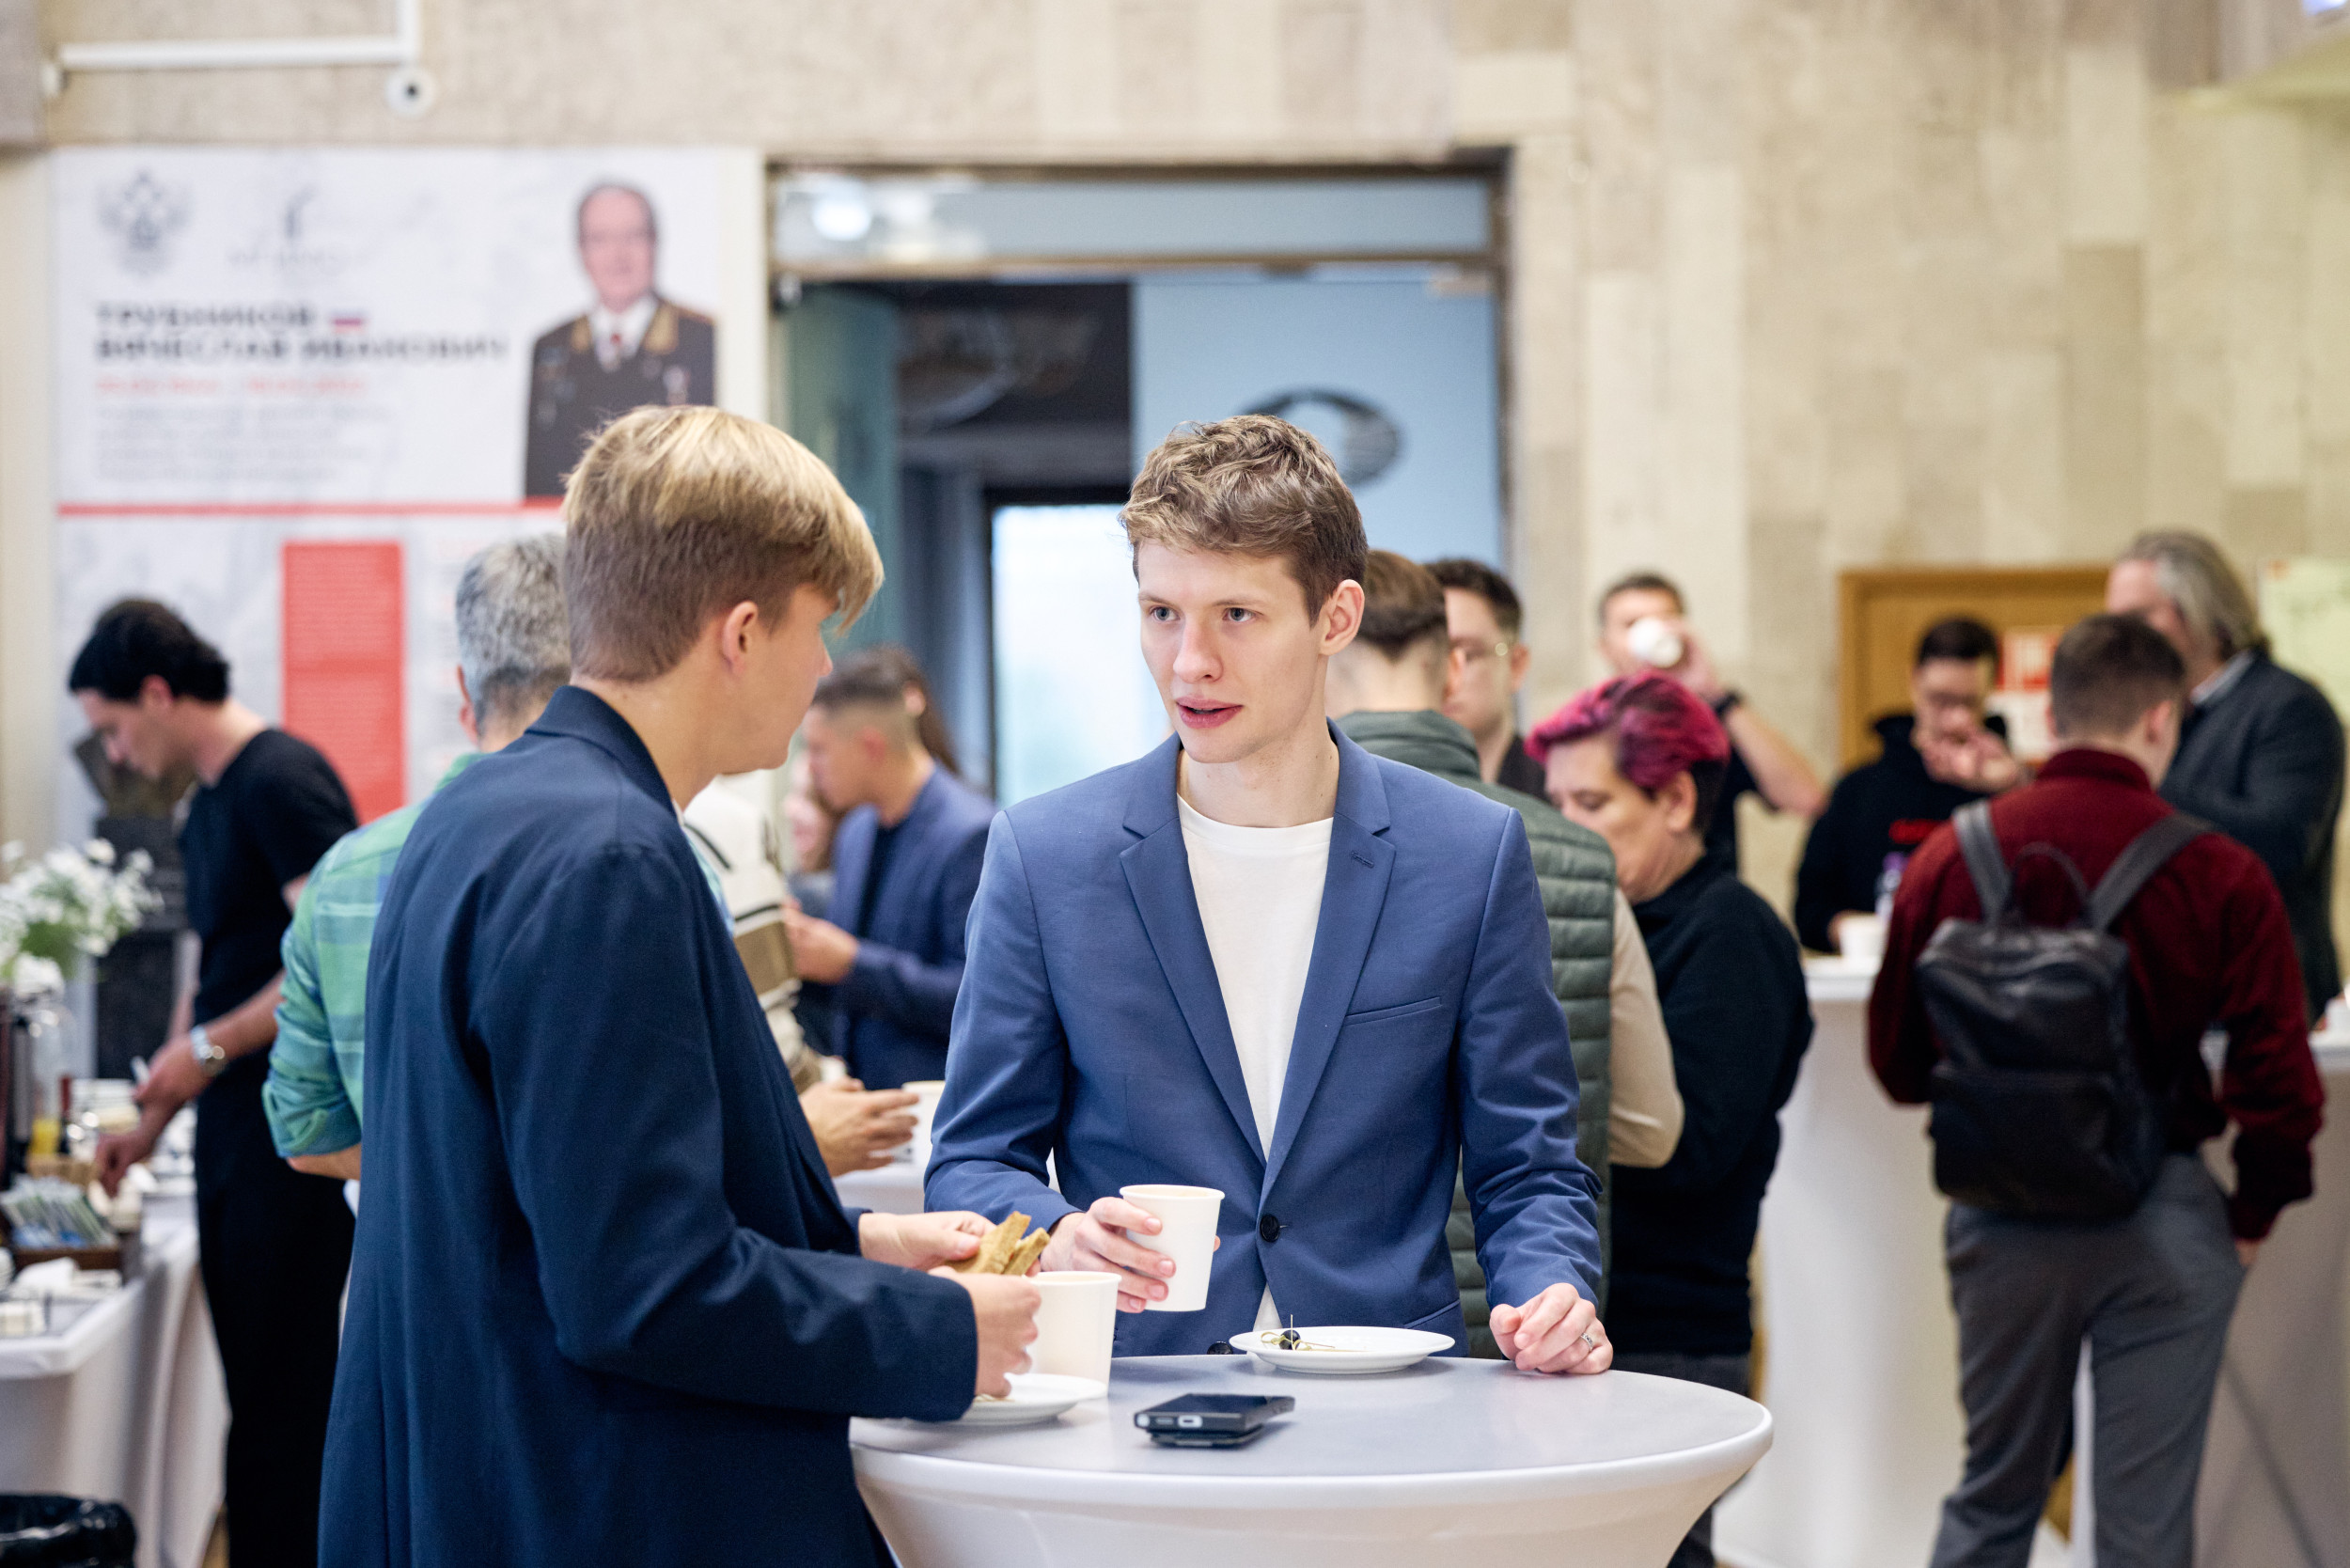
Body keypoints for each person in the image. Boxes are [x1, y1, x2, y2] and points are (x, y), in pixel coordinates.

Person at [321, 406, 1039, 1568]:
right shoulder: (609, 855)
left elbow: (552, 1209)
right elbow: (641, 1290)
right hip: (591, 1502)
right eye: (818, 629)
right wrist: (939, 1332)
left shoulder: (484, 806)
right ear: (741, 633)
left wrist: (858, 1245)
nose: (824, 671)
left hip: (478, 1478)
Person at [930, 416, 1612, 1374]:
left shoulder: (1468, 854)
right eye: (1161, 613)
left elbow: (1529, 1168)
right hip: (1139, 1383)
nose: (1189, 662)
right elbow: (973, 1158)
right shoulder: (1045, 857)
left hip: (1386, 1388)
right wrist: (1057, 1236)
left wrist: (1550, 1292)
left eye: (1236, 616)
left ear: (1336, 618)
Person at [1869, 614, 2324, 1568]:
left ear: (2049, 714)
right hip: (2160, 1215)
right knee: (2143, 1530)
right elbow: (2279, 1084)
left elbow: (1897, 1065)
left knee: (1993, 1497)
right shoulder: (2220, 871)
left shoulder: (1950, 855)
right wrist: (2252, 1209)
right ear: (2161, 719)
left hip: (1999, 1221)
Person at [1326, 549, 1683, 1324]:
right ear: (1452, 669)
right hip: (1539, 1307)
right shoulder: (1581, 860)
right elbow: (1651, 1127)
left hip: (1360, 1314)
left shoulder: (1298, 844)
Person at [77, 601, 359, 1568]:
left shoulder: (280, 779)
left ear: (158, 694)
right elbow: (212, 971)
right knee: (259, 1407)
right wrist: (156, 1109)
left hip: (294, 1144)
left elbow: (330, 958)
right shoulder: (209, 803)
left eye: (114, 727)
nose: (116, 755)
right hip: (239, 1135)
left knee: (286, 1411)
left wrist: (206, 1050)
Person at [1534, 673, 1813, 1568]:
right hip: (1587, 1320)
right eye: (1554, 804)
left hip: (1671, 1335)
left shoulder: (1732, 934)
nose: (1565, 829)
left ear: (1678, 802)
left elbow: (1689, 1151)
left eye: (1592, 804)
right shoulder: (1586, 924)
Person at [264, 535, 571, 1184]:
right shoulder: (661, 859)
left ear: (464, 689)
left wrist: (441, 1182)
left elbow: (305, 1134)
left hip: (402, 1249)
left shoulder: (342, 876)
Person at [2108, 532, 2345, 1017]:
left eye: (2138, 619)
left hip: (2269, 997)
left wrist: (2138, 778)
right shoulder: (2166, 713)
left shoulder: (2290, 707)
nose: (2122, 642)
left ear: (2200, 612)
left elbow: (2278, 844)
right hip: (2180, 994)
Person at [789, 646, 996, 1090]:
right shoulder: (856, 830)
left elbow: (977, 996)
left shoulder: (972, 834)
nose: (811, 768)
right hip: (866, 1096)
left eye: (819, 750)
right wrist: (798, 950)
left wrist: (850, 963)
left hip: (937, 1102)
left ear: (870, 746)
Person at [1794, 617, 2022, 954]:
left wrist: (2012, 787)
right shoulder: (1858, 791)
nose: (1954, 719)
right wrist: (1858, 934)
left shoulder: (2012, 789)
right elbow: (1811, 906)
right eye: (1940, 700)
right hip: (1883, 967)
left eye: (1969, 703)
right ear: (1915, 682)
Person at [1596, 572, 1825, 871]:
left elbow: (1807, 800)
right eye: (1632, 624)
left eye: (1665, 620)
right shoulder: (1586, 732)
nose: (1651, 632)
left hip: (1710, 893)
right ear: (1605, 647)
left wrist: (1717, 696)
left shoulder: (1711, 727)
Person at [523, 182, 716, 497]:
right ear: (581, 251)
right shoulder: (552, 347)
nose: (618, 255)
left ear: (654, 243)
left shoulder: (704, 339)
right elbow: (540, 480)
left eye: (633, 236)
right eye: (600, 239)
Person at [1427, 557, 1547, 796]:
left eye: (1467, 655)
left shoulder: (1559, 791)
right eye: (1426, 656)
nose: (1446, 678)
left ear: (1515, 664)